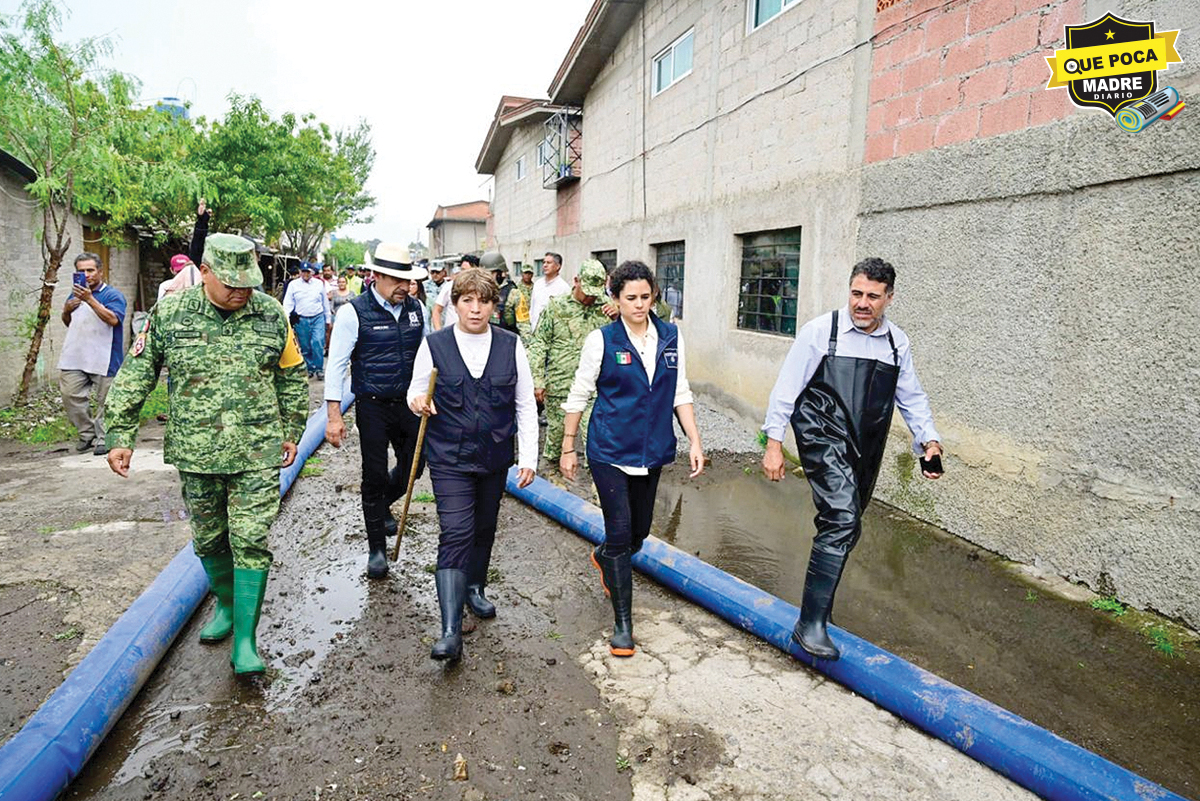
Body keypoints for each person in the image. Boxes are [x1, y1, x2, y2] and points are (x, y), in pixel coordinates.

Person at [103, 233, 308, 675]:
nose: (241, 292)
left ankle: (246, 641)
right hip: (197, 451)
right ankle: (228, 607)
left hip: (257, 448)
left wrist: (292, 429)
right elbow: (138, 371)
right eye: (231, 283)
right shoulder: (171, 313)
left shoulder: (271, 314)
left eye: (247, 283)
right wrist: (120, 433)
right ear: (206, 272)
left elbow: (292, 375)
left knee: (250, 539)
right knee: (210, 539)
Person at [761, 257, 943, 661]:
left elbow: (911, 397)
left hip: (865, 445)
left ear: (889, 298)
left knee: (848, 525)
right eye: (857, 293)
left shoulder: (897, 344)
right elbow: (786, 389)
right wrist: (773, 443)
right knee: (842, 517)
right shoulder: (820, 332)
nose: (862, 303)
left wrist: (928, 442)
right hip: (822, 434)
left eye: (873, 297)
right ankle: (809, 626)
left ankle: (819, 613)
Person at [560, 260, 704, 657]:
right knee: (621, 531)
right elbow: (579, 393)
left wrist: (694, 440)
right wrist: (568, 445)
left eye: (645, 297)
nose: (639, 305)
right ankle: (623, 625)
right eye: (630, 298)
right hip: (609, 449)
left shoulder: (671, 336)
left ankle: (604, 556)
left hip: (653, 449)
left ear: (653, 295)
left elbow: (681, 392)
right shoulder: (601, 340)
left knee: (638, 532)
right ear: (616, 299)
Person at [408, 268, 537, 662]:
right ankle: (449, 631)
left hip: (495, 455)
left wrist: (528, 457)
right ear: (456, 304)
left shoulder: (511, 345)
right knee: (456, 531)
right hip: (449, 456)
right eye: (467, 301)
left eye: (484, 301)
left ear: (494, 306)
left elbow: (525, 404)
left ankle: (475, 587)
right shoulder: (436, 345)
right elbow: (416, 388)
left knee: (484, 527)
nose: (476, 309)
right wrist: (418, 402)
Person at [325, 244, 429, 579]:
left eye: (408, 280)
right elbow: (337, 364)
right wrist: (334, 415)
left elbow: (427, 356)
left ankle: (383, 503)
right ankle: (377, 550)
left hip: (410, 403)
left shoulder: (417, 310)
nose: (405, 286)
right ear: (378, 276)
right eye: (398, 280)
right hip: (371, 406)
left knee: (415, 464)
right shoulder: (354, 312)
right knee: (373, 473)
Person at [528, 260, 610, 466]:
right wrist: (537, 379)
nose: (591, 297)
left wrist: (619, 314)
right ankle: (552, 482)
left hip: (593, 389)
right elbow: (539, 344)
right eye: (587, 291)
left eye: (595, 292)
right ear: (576, 281)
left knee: (595, 439)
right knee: (556, 438)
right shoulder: (556, 306)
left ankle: (598, 492)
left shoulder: (606, 308)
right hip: (559, 386)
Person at [59, 252, 127, 456]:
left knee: (106, 400)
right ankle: (86, 434)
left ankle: (104, 438)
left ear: (100, 272)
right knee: (70, 394)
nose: (86, 275)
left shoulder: (112, 295)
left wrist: (90, 299)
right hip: (76, 355)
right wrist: (66, 309)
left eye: (90, 270)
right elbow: (69, 323)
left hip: (105, 357)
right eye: (81, 271)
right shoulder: (74, 295)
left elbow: (113, 319)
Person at [282, 263, 332, 379]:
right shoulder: (293, 285)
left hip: (317, 317)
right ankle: (309, 368)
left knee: (317, 342)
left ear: (312, 272)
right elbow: (288, 303)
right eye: (303, 271)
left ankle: (319, 369)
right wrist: (286, 318)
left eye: (308, 272)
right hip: (301, 319)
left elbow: (325, 302)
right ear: (300, 272)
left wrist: (328, 318)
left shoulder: (319, 284)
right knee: (305, 346)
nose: (305, 274)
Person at [157, 201, 210, 301]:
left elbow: (197, 251)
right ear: (172, 271)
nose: (183, 274)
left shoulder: (199, 285)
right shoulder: (167, 287)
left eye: (184, 270)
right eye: (179, 271)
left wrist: (202, 222)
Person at [433, 254, 479, 330]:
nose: (464, 274)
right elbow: (437, 310)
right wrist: (439, 332)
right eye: (462, 270)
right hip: (450, 336)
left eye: (468, 271)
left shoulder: (480, 288)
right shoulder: (450, 286)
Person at [529, 252, 570, 332]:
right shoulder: (538, 284)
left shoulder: (564, 288)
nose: (545, 265)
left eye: (549, 263)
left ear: (558, 266)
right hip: (535, 332)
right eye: (544, 262)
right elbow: (533, 308)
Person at [483, 252, 518, 332]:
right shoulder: (478, 293)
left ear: (501, 274)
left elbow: (523, 325)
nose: (486, 277)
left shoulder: (513, 293)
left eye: (491, 273)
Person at [504, 263, 536, 345]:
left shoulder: (536, 287)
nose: (528, 276)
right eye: (526, 273)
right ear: (522, 274)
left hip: (533, 318)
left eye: (529, 273)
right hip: (520, 320)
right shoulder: (516, 288)